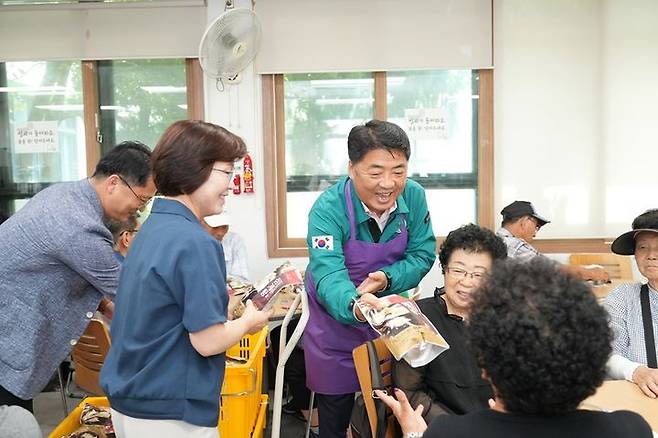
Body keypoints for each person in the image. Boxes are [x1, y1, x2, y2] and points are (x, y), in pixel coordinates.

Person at [100, 120, 270, 437]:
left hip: (132, 402)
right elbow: (207, 342)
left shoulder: (151, 228)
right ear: (193, 169)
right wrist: (249, 320)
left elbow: (166, 309)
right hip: (170, 410)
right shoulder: (196, 241)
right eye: (226, 173)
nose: (231, 185)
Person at [377, 258, 653, 438]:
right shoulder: (630, 429)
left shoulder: (448, 433)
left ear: (484, 365)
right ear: (593, 362)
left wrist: (415, 435)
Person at [304, 119, 436, 437]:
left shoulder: (414, 197)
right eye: (375, 173)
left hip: (390, 320)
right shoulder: (327, 209)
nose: (388, 184)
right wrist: (356, 305)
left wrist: (387, 278)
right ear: (352, 167)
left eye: (399, 171)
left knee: (390, 411)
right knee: (334, 414)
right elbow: (329, 273)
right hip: (335, 323)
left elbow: (422, 254)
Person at [0, 141, 155, 412]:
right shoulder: (80, 226)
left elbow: (74, 271)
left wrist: (106, 306)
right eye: (142, 199)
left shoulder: (65, 194)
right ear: (114, 183)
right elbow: (132, 291)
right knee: (13, 423)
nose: (140, 210)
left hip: (12, 331)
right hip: (9, 340)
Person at [393, 224, 507, 423]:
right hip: (442, 426)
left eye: (479, 274)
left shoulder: (504, 317)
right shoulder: (415, 318)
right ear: (444, 270)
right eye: (458, 270)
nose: (467, 282)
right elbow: (410, 391)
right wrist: (456, 429)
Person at [605, 209, 658, 398]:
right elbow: (608, 354)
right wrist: (636, 372)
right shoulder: (623, 296)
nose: (651, 255)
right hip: (639, 399)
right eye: (643, 247)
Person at [496, 200, 608, 281]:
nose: (535, 234)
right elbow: (552, 270)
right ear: (524, 222)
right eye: (537, 226)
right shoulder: (513, 245)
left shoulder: (498, 241)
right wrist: (590, 272)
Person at [203, 211, 250, 281]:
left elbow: (242, 278)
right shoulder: (194, 242)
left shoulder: (234, 240)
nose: (220, 232)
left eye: (224, 227)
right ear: (203, 224)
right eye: (215, 227)